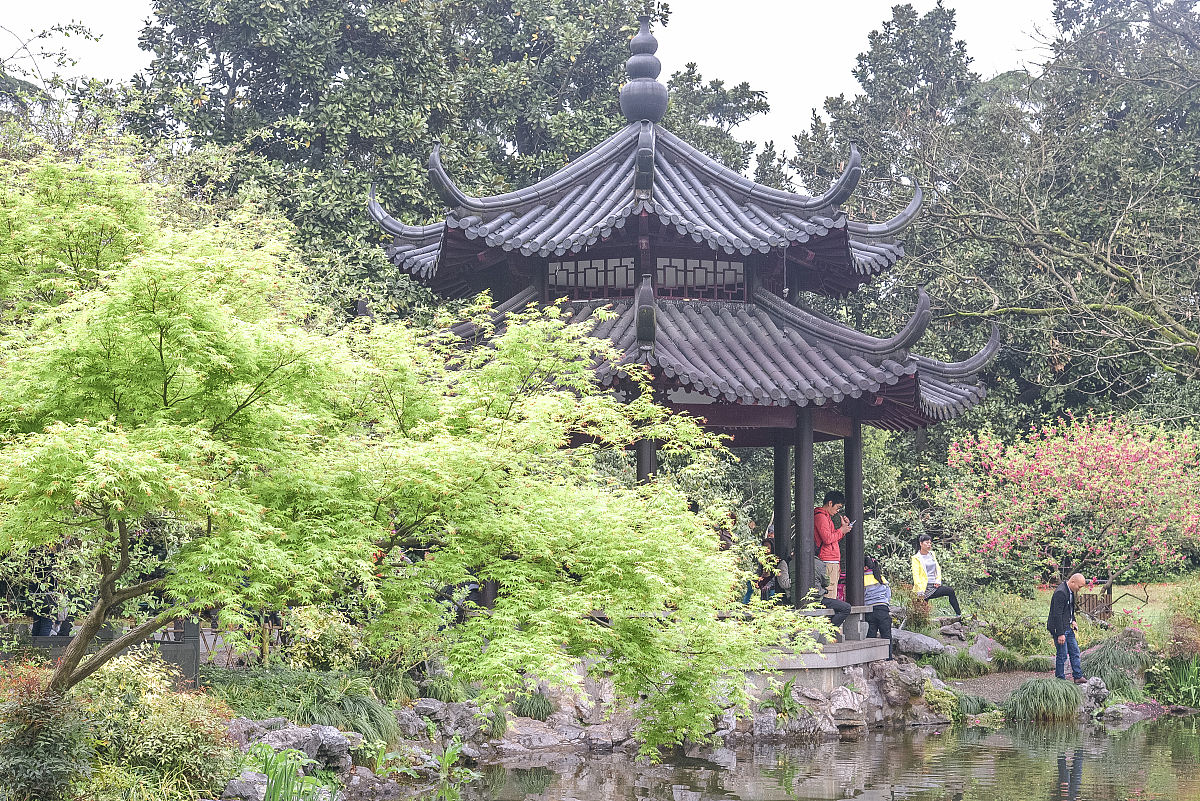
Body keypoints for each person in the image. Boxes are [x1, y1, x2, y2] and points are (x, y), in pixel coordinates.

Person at [1048, 572, 1088, 683]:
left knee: (1075, 651)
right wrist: (1060, 634)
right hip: (1058, 628)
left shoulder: (1071, 591)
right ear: (1073, 581)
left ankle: (1078, 676)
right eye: (1079, 586)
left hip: (1067, 626)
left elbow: (1069, 609)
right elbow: (1057, 614)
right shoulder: (1061, 593)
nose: (1079, 589)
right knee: (1062, 655)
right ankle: (1060, 679)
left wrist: (1073, 620)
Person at [911, 534, 962, 616]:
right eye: (927, 543)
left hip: (934, 585)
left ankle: (959, 614)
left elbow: (937, 569)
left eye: (930, 543)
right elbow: (916, 575)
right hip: (924, 587)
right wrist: (920, 590)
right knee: (922, 612)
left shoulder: (932, 554)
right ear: (921, 543)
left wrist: (938, 581)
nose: (929, 545)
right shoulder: (916, 558)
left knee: (950, 591)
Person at [814, 491, 852, 599]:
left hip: (832, 560)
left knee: (832, 592)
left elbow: (832, 538)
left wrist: (843, 530)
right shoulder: (820, 517)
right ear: (830, 503)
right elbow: (827, 539)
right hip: (827, 560)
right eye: (838, 507)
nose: (838, 511)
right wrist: (841, 530)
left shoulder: (826, 517)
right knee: (829, 594)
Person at [863, 556, 893, 658]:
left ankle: (871, 658)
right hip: (883, 609)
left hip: (869, 611)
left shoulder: (861, 580)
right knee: (887, 636)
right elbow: (888, 595)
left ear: (864, 567)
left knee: (871, 635)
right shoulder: (881, 578)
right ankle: (888, 658)